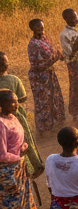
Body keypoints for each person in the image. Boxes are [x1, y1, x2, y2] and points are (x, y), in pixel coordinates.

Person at [0, 52, 41, 182]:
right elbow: (23, 97)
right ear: (7, 65)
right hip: (16, 115)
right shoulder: (14, 79)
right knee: (25, 141)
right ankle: (34, 166)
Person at [0, 89, 29, 209]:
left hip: (18, 167)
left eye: (16, 100)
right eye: (11, 101)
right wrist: (18, 156)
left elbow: (17, 141)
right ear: (1, 104)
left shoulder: (13, 117)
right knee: (8, 207)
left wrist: (23, 146)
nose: (16, 104)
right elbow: (2, 154)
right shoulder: (1, 123)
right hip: (7, 171)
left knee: (20, 204)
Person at [27, 18, 65, 134]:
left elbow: (53, 51)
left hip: (49, 74)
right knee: (43, 103)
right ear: (32, 29)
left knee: (53, 99)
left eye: (42, 27)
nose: (41, 29)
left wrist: (60, 54)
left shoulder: (44, 38)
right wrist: (54, 59)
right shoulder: (33, 44)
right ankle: (44, 129)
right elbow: (36, 66)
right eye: (38, 27)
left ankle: (54, 126)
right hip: (39, 77)